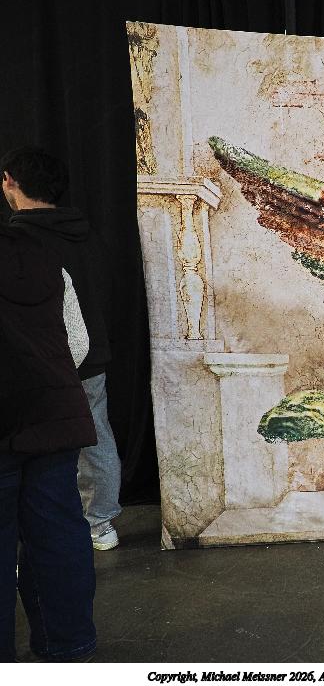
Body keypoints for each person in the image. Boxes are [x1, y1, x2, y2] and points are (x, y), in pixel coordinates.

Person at [1, 148, 122, 550]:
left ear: (9, 181)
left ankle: (47, 531)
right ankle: (100, 524)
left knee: (39, 451)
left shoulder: (19, 241)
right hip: (91, 353)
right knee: (95, 437)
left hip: (37, 362)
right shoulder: (86, 233)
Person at [0, 224, 98, 662]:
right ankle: (69, 647)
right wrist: (41, 379)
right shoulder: (40, 255)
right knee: (58, 534)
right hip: (53, 415)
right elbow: (77, 342)